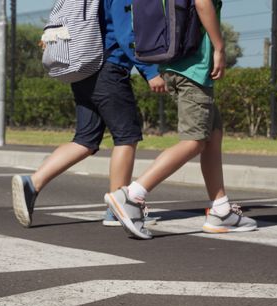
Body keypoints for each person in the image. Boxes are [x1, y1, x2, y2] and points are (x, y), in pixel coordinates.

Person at [105, 0, 258, 239]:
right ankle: (132, 195)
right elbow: (202, 2)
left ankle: (221, 210)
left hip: (175, 63)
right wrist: (219, 47)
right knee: (194, 141)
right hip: (193, 68)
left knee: (213, 135)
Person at [12, 0, 166, 227]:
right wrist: (150, 72)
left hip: (84, 69)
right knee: (126, 136)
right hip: (109, 69)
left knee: (85, 140)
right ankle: (118, 209)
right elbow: (126, 34)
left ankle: (32, 183)